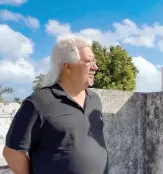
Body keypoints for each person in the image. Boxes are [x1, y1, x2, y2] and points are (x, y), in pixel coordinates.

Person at [3, 34, 108, 174]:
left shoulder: (95, 100)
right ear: (68, 66)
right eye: (88, 61)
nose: (95, 67)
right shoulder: (39, 102)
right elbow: (12, 153)